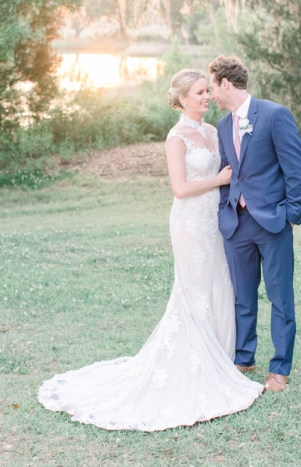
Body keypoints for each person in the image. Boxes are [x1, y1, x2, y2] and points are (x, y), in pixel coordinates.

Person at [37, 69, 263, 432]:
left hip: (216, 222)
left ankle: (220, 356)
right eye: (200, 92)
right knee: (194, 290)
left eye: (208, 91)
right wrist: (219, 180)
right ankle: (195, 362)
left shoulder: (213, 130)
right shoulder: (177, 137)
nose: (207, 97)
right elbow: (180, 188)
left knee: (220, 286)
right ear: (183, 99)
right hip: (190, 222)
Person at [208, 56, 301, 393]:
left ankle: (280, 369)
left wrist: (290, 215)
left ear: (225, 83)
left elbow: (296, 168)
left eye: (212, 87)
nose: (211, 95)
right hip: (237, 225)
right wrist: (226, 207)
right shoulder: (223, 126)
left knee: (280, 297)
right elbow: (227, 172)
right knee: (242, 297)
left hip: (273, 223)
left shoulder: (274, 115)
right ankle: (244, 357)